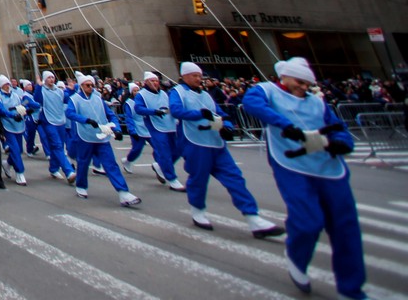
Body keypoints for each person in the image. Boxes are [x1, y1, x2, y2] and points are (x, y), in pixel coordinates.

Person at [242, 58, 366, 299]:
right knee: (308, 221)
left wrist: (342, 144)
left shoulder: (317, 102)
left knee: (346, 228)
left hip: (329, 168)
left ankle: (351, 289)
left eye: (308, 83)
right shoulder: (266, 90)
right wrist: (285, 124)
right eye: (299, 81)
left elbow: (338, 127)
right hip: (293, 166)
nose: (303, 87)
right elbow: (251, 104)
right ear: (285, 77)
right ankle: (296, 256)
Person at [170, 62, 283, 236]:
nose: (198, 79)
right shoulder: (177, 92)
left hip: (216, 143)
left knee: (235, 178)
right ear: (184, 76)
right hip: (195, 143)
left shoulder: (206, 95)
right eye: (194, 75)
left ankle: (253, 218)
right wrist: (199, 114)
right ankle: (197, 210)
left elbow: (219, 112)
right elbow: (176, 111)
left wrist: (227, 124)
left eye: (200, 76)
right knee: (198, 179)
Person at [65, 72, 141, 206]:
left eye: (92, 85)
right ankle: (81, 186)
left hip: (102, 138)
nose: (91, 87)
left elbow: (111, 115)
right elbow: (70, 113)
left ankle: (123, 192)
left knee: (111, 164)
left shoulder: (98, 99)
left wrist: (116, 129)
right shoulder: (75, 99)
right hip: (85, 137)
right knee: (83, 163)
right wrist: (86, 120)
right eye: (87, 85)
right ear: (81, 86)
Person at [132, 71, 185, 191]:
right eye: (152, 81)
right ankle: (172, 179)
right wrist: (154, 111)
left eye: (156, 81)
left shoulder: (164, 93)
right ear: (146, 82)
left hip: (170, 124)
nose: (155, 83)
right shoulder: (142, 95)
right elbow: (138, 109)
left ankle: (160, 165)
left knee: (178, 149)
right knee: (164, 151)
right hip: (156, 126)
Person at [33, 71, 76, 183]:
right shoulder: (42, 90)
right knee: (57, 146)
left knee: (58, 146)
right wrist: (38, 85)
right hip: (48, 121)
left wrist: (71, 89)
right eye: (49, 78)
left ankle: (53, 168)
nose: (52, 79)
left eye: (53, 77)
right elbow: (37, 99)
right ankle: (69, 171)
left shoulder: (59, 91)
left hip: (60, 121)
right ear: (44, 79)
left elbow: (68, 99)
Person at [0, 75, 39, 185]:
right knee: (15, 149)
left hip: (19, 124)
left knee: (19, 149)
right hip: (7, 125)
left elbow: (22, 104)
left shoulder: (16, 95)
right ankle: (20, 172)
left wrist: (27, 108)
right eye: (5, 84)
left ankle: (7, 164)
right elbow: (1, 110)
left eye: (8, 84)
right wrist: (11, 114)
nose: (7, 86)